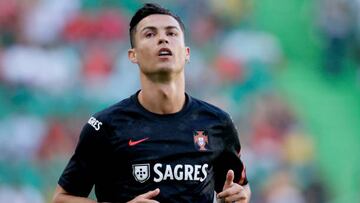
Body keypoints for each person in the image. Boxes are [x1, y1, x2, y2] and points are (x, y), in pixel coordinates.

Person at [52, 3, 251, 203]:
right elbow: (62, 198)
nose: (163, 38)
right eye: (150, 34)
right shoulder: (106, 126)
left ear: (187, 53)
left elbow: (241, 188)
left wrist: (239, 196)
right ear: (133, 55)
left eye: (172, 34)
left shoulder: (217, 122)